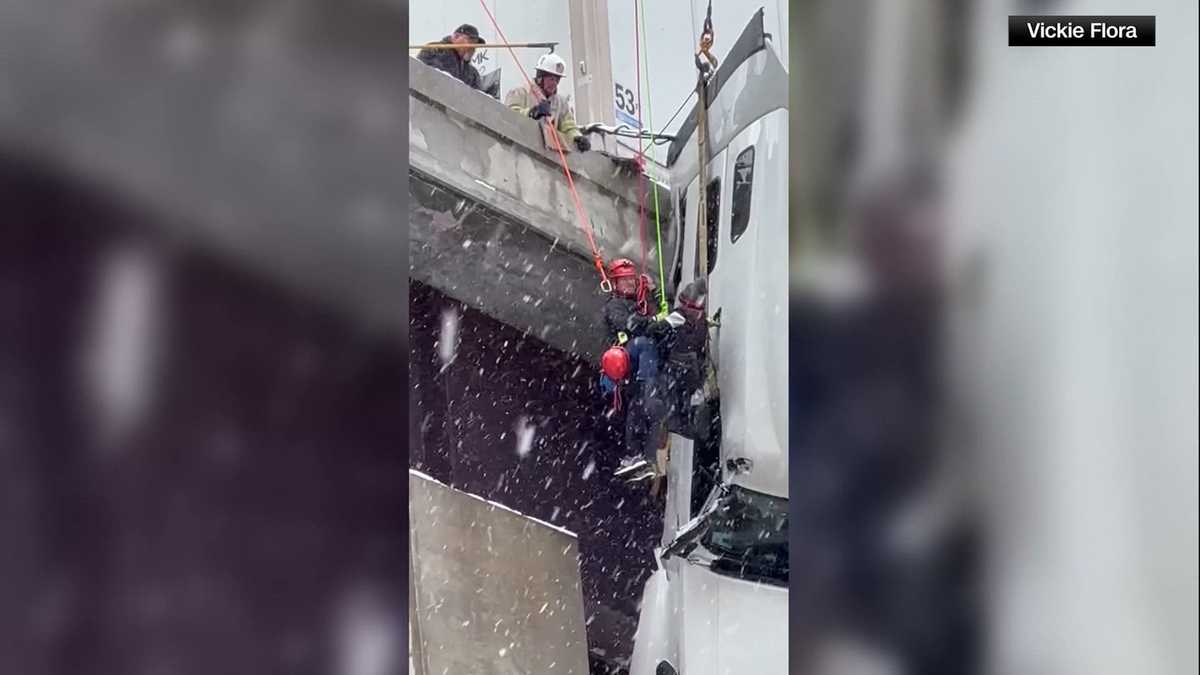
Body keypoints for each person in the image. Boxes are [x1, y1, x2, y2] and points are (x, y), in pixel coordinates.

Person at [504, 53, 592, 152]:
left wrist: (577, 137)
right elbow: (508, 117)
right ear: (540, 78)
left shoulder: (561, 103)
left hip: (548, 155)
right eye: (551, 79)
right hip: (520, 151)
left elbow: (569, 126)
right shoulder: (520, 93)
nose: (554, 83)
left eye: (557, 80)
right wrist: (533, 112)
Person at [416, 24, 486, 90]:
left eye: (475, 45)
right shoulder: (435, 50)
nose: (472, 48)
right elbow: (424, 76)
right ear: (456, 37)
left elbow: (479, 96)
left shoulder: (472, 74)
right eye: (470, 42)